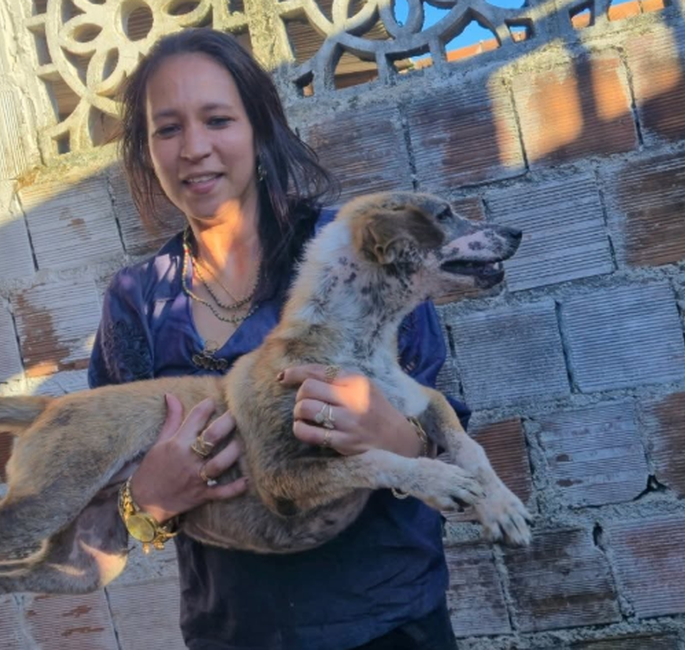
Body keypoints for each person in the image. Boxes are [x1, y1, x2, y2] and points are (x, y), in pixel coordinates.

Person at [87, 27, 472, 650]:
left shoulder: (357, 251)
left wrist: (387, 431)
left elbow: (449, 439)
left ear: (260, 127)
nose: (194, 148)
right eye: (168, 129)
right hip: (234, 635)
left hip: (389, 624)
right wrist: (146, 501)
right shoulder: (135, 303)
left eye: (217, 119)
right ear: (147, 149)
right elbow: (111, 492)